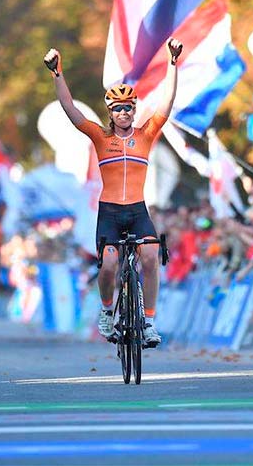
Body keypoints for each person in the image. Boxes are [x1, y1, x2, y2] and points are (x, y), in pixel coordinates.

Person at [43, 39, 182, 346]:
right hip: (109, 213)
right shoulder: (100, 136)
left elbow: (167, 102)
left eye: (128, 108)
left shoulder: (146, 135)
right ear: (110, 112)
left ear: (134, 110)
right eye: (118, 108)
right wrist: (57, 74)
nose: (123, 113)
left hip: (137, 211)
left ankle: (148, 321)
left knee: (150, 256)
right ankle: (107, 312)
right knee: (108, 266)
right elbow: (70, 110)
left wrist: (173, 63)